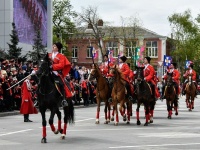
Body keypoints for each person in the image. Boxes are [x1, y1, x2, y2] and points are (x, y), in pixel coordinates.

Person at [32, 42, 72, 107]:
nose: (53, 47)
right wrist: (36, 70)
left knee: (61, 84)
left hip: (56, 72)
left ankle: (63, 99)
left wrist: (52, 66)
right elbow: (42, 64)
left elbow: (61, 65)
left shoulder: (61, 56)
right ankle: (37, 98)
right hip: (47, 72)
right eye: (53, 46)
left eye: (55, 46)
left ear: (58, 48)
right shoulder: (49, 55)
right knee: (40, 82)